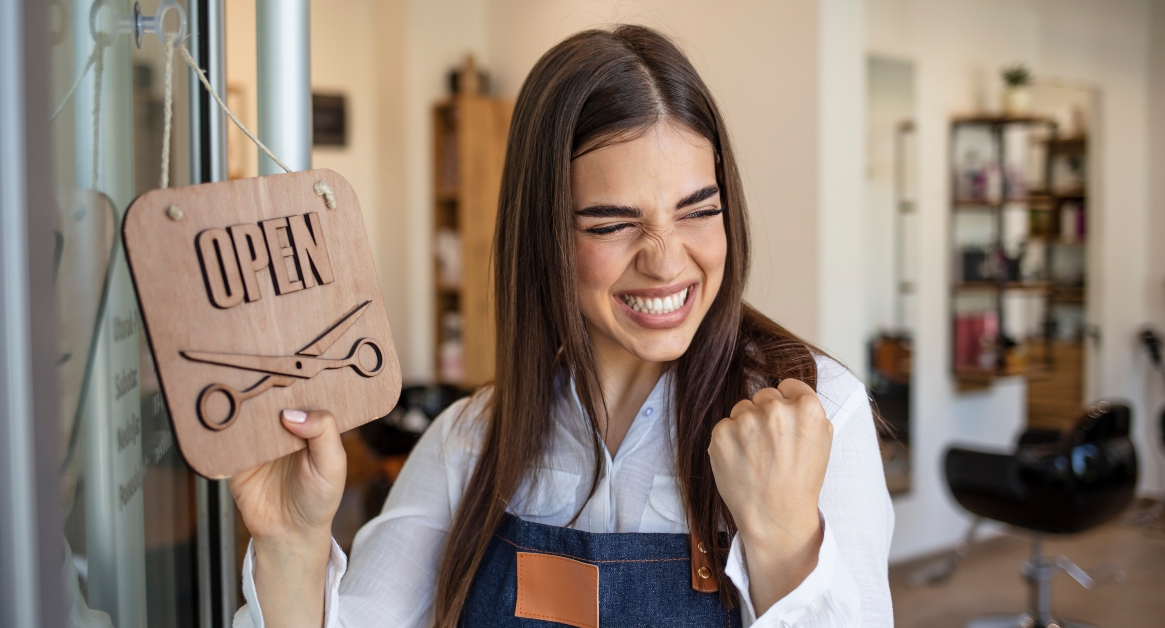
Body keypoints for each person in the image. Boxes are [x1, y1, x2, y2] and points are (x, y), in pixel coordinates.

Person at [231, 24, 893, 628]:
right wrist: (292, 544)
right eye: (612, 223)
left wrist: (783, 542)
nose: (666, 260)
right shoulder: (475, 440)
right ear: (544, 236)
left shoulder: (812, 415)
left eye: (698, 211)